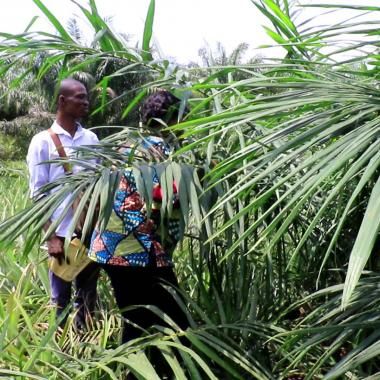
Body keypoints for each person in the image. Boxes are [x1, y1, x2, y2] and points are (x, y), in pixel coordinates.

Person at [88, 89, 189, 343]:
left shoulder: (126, 145)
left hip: (108, 247)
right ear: (173, 120)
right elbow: (166, 200)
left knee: (137, 319)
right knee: (174, 320)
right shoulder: (163, 152)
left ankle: (142, 368)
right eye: (184, 119)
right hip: (138, 251)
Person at [27, 78, 100, 328]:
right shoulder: (43, 142)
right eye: (79, 97)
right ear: (62, 100)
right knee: (59, 299)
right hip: (61, 234)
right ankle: (59, 350)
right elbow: (38, 194)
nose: (85, 102)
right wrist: (51, 237)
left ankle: (85, 345)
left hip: (88, 233)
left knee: (88, 297)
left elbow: (98, 186)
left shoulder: (91, 139)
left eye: (86, 97)